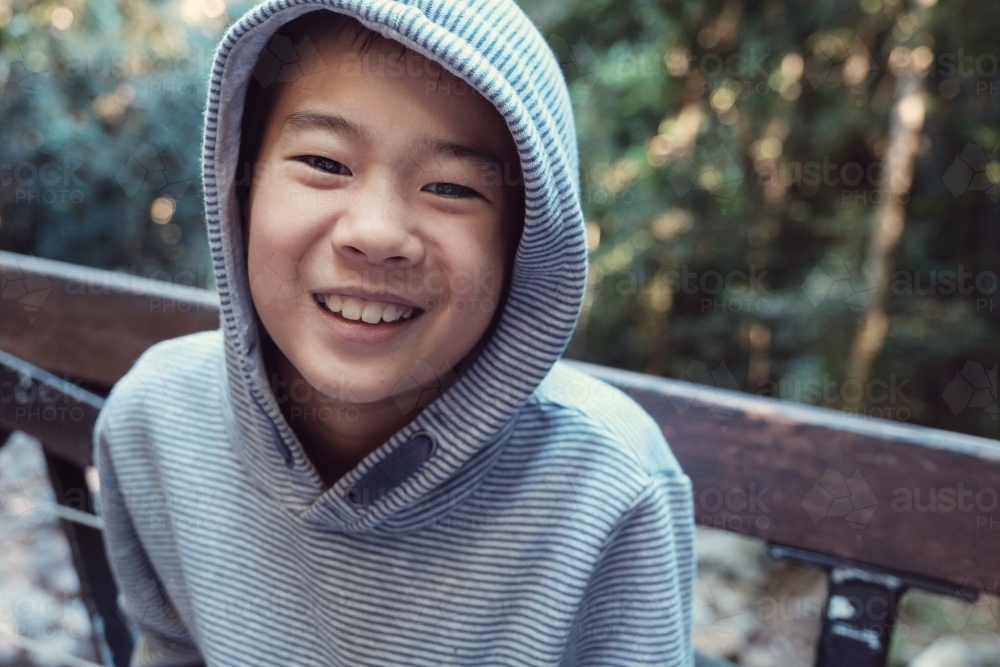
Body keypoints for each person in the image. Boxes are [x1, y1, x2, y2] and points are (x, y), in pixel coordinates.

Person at [94, 0, 696, 664]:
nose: (375, 234)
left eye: (451, 186)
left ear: (521, 247)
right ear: (240, 188)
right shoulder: (154, 416)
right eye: (325, 164)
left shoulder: (610, 490)